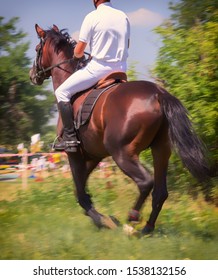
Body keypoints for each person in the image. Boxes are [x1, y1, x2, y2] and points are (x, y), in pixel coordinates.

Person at [54, 0, 130, 152]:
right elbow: (127, 45)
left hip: (99, 70)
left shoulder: (91, 17)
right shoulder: (123, 16)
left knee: (61, 92)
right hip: (121, 68)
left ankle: (69, 138)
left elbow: (78, 52)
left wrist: (77, 55)